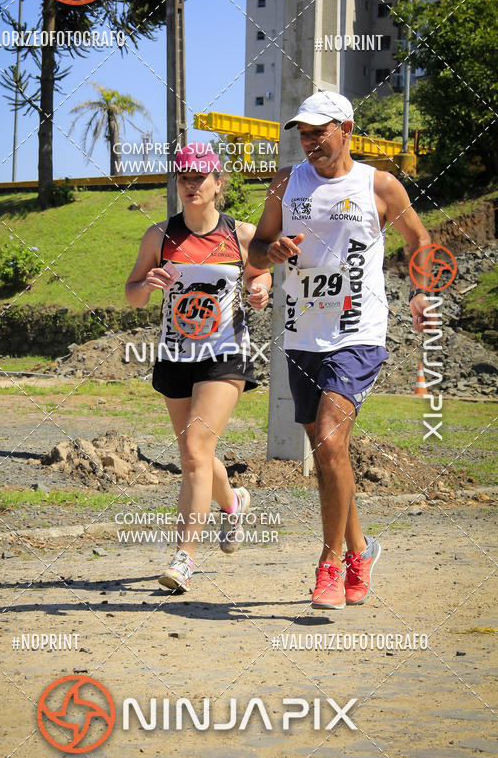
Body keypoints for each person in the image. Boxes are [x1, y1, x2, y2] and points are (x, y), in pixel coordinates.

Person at [248, 91, 433, 609]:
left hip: (359, 333)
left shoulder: (378, 185)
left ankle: (328, 565)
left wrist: (420, 292)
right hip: (301, 336)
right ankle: (360, 551)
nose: (308, 142)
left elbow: (419, 240)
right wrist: (271, 254)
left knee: (328, 443)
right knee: (332, 455)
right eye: (302, 134)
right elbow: (257, 249)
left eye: (318, 132)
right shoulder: (287, 184)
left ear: (345, 128)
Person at [125, 142, 272, 593]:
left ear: (218, 183)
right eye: (184, 177)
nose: (191, 184)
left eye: (200, 177)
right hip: (175, 355)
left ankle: (183, 557)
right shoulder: (159, 236)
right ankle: (233, 505)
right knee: (198, 454)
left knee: (193, 451)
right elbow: (131, 293)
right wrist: (146, 285)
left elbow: (260, 273)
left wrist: (260, 288)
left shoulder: (241, 235)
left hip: (225, 354)